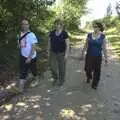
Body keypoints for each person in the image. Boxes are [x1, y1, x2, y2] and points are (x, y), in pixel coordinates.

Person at [80, 21, 108, 89]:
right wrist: (82, 54)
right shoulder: (89, 35)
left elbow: (104, 48)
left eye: (95, 27)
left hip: (98, 56)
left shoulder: (102, 36)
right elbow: (86, 44)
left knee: (97, 70)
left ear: (99, 28)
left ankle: (95, 84)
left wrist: (106, 58)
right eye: (94, 26)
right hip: (89, 55)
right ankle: (89, 76)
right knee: (87, 69)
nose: (94, 28)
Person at [18, 19, 39, 93]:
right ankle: (21, 88)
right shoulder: (20, 34)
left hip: (32, 57)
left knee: (34, 70)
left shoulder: (32, 35)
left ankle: (36, 79)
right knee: (22, 71)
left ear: (28, 25)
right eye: (23, 24)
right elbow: (19, 46)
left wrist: (29, 58)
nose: (24, 25)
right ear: (21, 26)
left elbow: (33, 47)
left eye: (26, 24)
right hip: (23, 56)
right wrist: (19, 46)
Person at [48, 19, 69, 86]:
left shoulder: (64, 33)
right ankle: (55, 78)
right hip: (53, 52)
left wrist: (66, 54)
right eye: (55, 24)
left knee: (62, 68)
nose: (56, 26)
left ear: (61, 25)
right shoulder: (52, 33)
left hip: (62, 53)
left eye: (58, 24)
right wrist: (48, 51)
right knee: (52, 66)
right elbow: (49, 43)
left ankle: (61, 80)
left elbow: (67, 44)